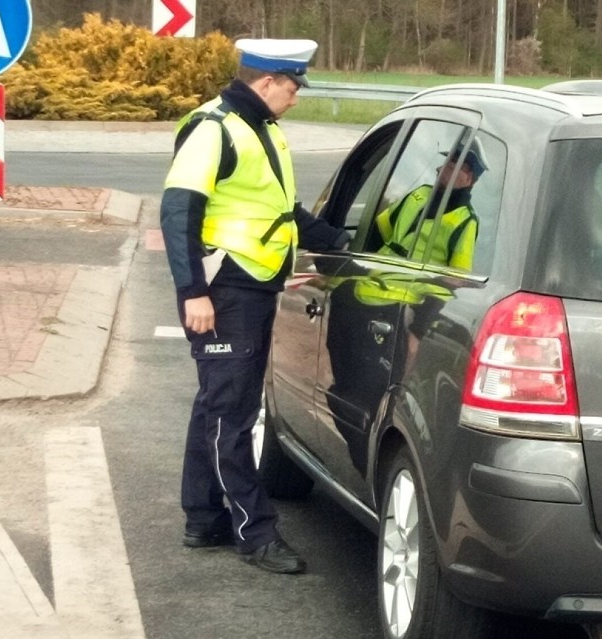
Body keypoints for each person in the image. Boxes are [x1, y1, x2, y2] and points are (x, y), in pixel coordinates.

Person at [159, 38, 350, 575]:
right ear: (266, 83)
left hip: (254, 285)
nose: (296, 98)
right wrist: (192, 291)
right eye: (292, 87)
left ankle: (203, 517)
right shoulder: (214, 128)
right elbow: (178, 214)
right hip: (225, 291)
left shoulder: (261, 130)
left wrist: (341, 241)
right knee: (233, 414)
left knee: (216, 405)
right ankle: (255, 533)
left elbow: (283, 211)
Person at [375, 140, 488, 271]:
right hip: (376, 278)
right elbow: (380, 228)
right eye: (444, 164)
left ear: (469, 179)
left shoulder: (466, 220)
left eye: (450, 167)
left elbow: (458, 277)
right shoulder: (420, 193)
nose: (438, 169)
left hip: (414, 288)